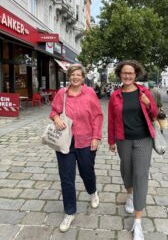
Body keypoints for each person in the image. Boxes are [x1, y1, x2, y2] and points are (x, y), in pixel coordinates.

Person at [49, 64, 103, 233]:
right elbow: (53, 112)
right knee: (66, 177)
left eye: (78, 75)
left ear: (83, 77)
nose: (75, 77)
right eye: (72, 74)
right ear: (69, 76)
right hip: (65, 141)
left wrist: (96, 137)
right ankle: (69, 212)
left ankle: (92, 191)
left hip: (86, 140)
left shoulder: (90, 93)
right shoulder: (61, 94)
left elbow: (98, 116)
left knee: (87, 172)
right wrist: (56, 119)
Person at [108, 60, 158, 240]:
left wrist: (147, 104)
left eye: (131, 73)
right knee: (126, 171)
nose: (127, 75)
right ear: (120, 75)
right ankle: (129, 194)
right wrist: (111, 140)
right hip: (123, 140)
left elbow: (155, 113)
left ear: (136, 75)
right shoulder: (115, 95)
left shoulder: (144, 92)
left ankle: (137, 222)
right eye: (124, 73)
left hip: (143, 139)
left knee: (140, 175)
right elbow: (112, 120)